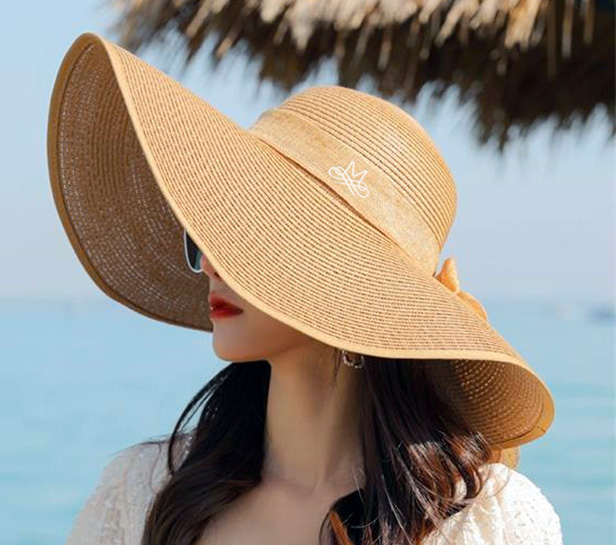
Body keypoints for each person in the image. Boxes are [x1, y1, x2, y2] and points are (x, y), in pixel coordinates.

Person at [47, 31, 563, 545]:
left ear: (349, 281)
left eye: (245, 236)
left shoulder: (487, 521)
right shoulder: (142, 491)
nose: (208, 263)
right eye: (207, 231)